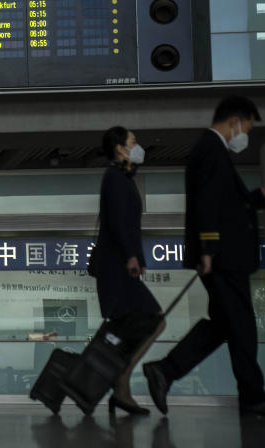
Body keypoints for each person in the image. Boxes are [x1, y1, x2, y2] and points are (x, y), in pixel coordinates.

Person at [143, 96, 265, 418]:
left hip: (223, 255)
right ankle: (253, 397)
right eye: (247, 129)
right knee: (241, 326)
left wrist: (259, 197)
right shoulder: (210, 150)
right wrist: (209, 249)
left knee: (225, 326)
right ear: (234, 122)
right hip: (224, 257)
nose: (245, 136)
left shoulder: (211, 151)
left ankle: (165, 370)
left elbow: (226, 206)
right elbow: (207, 203)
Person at [91, 126, 164, 415]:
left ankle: (121, 385)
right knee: (154, 321)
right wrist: (133, 257)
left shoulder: (121, 178)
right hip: (117, 269)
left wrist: (139, 257)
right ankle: (121, 380)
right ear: (120, 148)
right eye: (133, 142)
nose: (138, 146)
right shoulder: (115, 178)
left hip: (121, 267)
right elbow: (121, 224)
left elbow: (128, 227)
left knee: (132, 328)